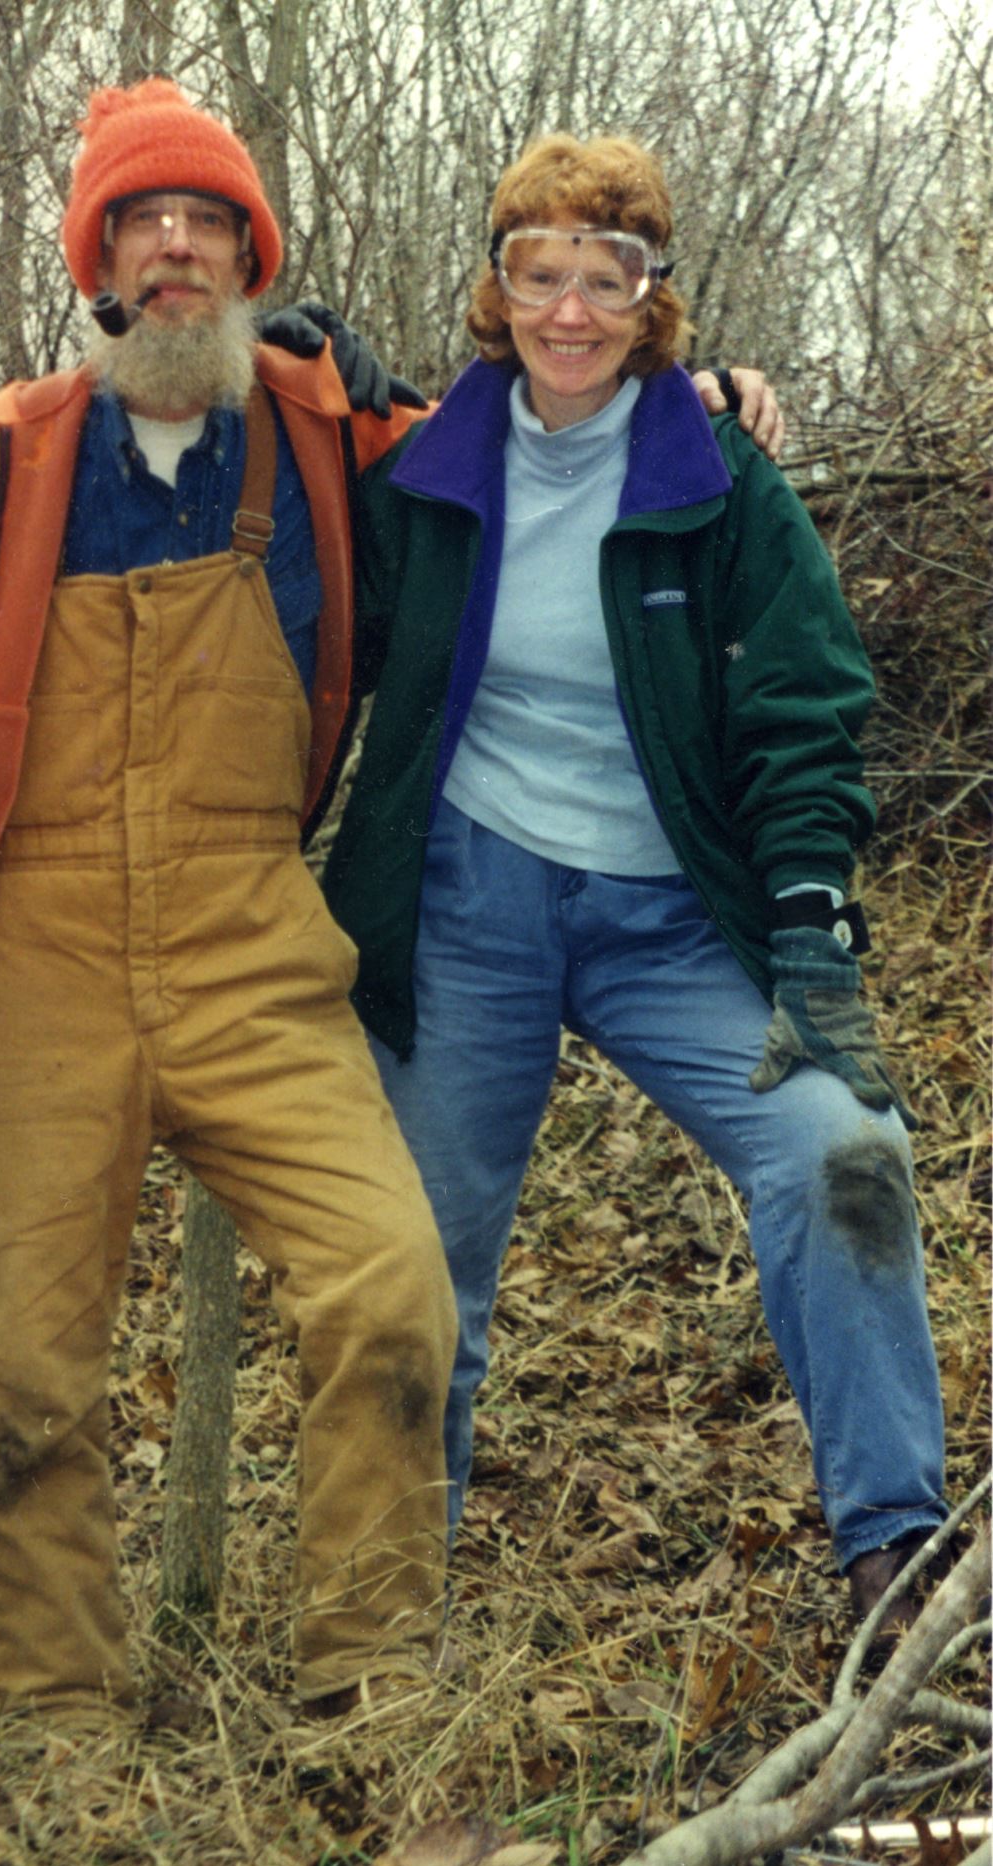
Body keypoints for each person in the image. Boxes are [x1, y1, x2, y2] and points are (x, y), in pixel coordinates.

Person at [322, 133, 947, 1631]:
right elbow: (297, 609)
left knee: (843, 1157)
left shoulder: (712, 475)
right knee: (421, 1264)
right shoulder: (420, 473)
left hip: (673, 917)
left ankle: (893, 1558)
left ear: (652, 294)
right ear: (497, 284)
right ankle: (393, 1615)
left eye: (608, 276)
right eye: (539, 272)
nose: (570, 310)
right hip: (466, 902)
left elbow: (803, 706)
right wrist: (299, 385)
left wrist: (807, 924)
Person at [0, 78, 469, 1730]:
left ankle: (368, 1689)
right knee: (24, 1373)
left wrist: (711, 392)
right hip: (30, 946)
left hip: (250, 939)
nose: (174, 249)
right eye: (140, 224)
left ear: (251, 259)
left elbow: (547, 439)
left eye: (206, 223)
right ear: (95, 264)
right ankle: (63, 1722)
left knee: (389, 1291)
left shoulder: (329, 440)